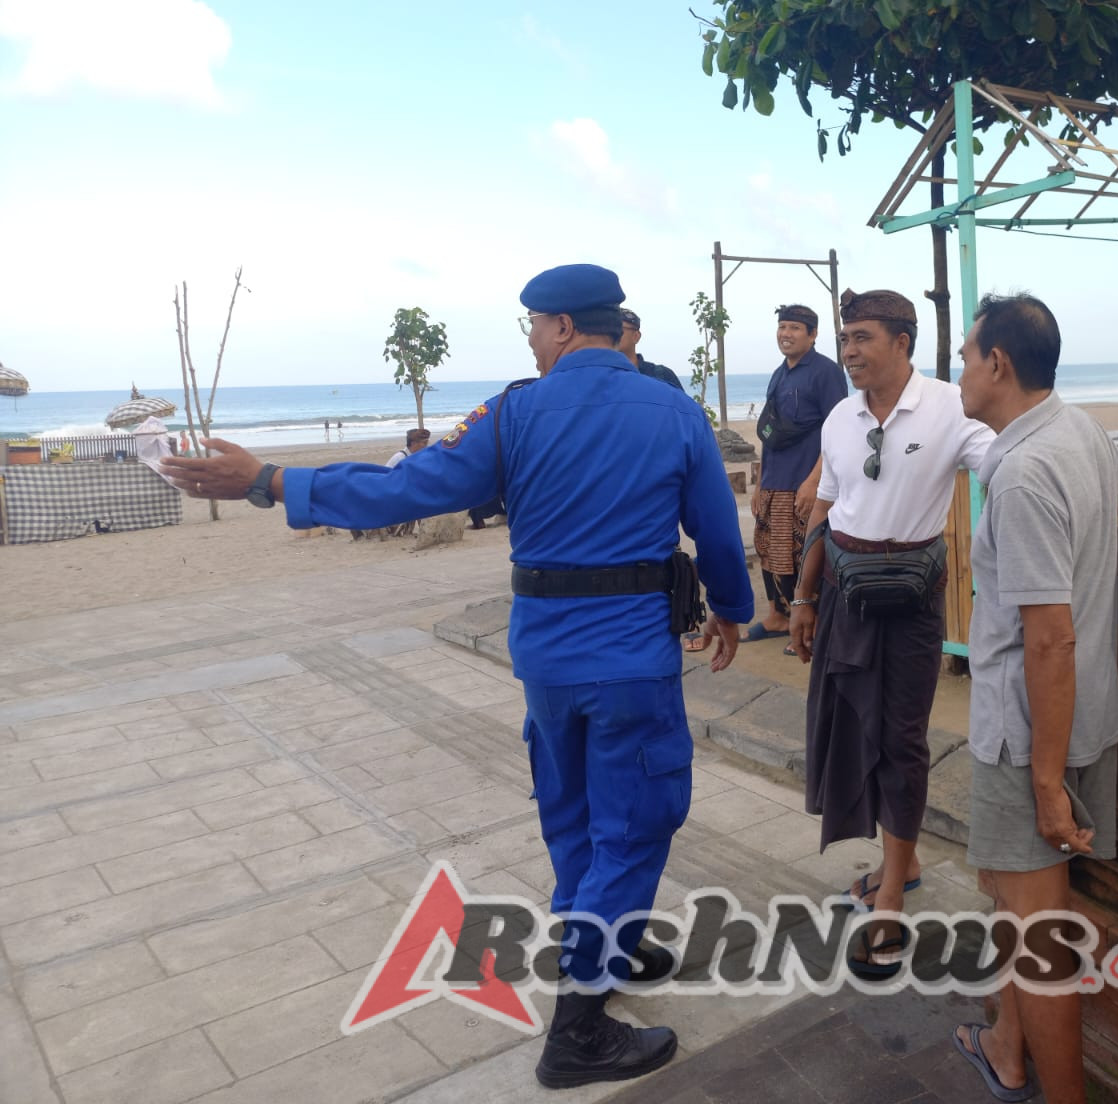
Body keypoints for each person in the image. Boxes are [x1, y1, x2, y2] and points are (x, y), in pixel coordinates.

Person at [161, 263, 754, 1090]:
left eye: (533, 329)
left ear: (560, 327)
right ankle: (578, 1032)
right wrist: (731, 606)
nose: (532, 343)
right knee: (636, 823)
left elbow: (407, 487)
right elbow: (718, 532)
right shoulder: (674, 411)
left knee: (576, 814)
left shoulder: (511, 412)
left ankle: (602, 944)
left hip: (545, 659)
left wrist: (273, 481)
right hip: (630, 662)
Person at [952, 293, 1118, 1104]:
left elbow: (1049, 638)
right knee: (1011, 895)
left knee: (1040, 941)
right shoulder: (1080, 433)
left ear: (998, 363)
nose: (957, 371)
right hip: (1080, 720)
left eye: (965, 356)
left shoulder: (1026, 474)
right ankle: (1006, 1042)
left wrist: (1043, 779)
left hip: (1028, 736)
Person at [789, 288, 993, 970]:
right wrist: (803, 597)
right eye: (846, 337)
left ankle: (892, 901)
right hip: (844, 593)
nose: (849, 349)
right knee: (853, 726)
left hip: (910, 602)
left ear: (902, 342)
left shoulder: (950, 406)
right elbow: (826, 502)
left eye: (863, 337)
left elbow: (1009, 460)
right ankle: (895, 865)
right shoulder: (842, 417)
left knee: (901, 740)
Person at [747, 304, 846, 655]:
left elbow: (838, 429)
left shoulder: (826, 372)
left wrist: (814, 481)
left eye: (794, 328)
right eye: (782, 327)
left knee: (804, 554)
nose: (785, 334)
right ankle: (777, 616)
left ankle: (814, 625)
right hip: (775, 479)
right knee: (769, 550)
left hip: (805, 479)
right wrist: (760, 481)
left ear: (813, 334)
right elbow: (770, 431)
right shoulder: (778, 374)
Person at [618, 307, 684, 391]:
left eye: (619, 329)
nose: (613, 333)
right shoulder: (599, 375)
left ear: (636, 336)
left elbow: (682, 403)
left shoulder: (661, 376)